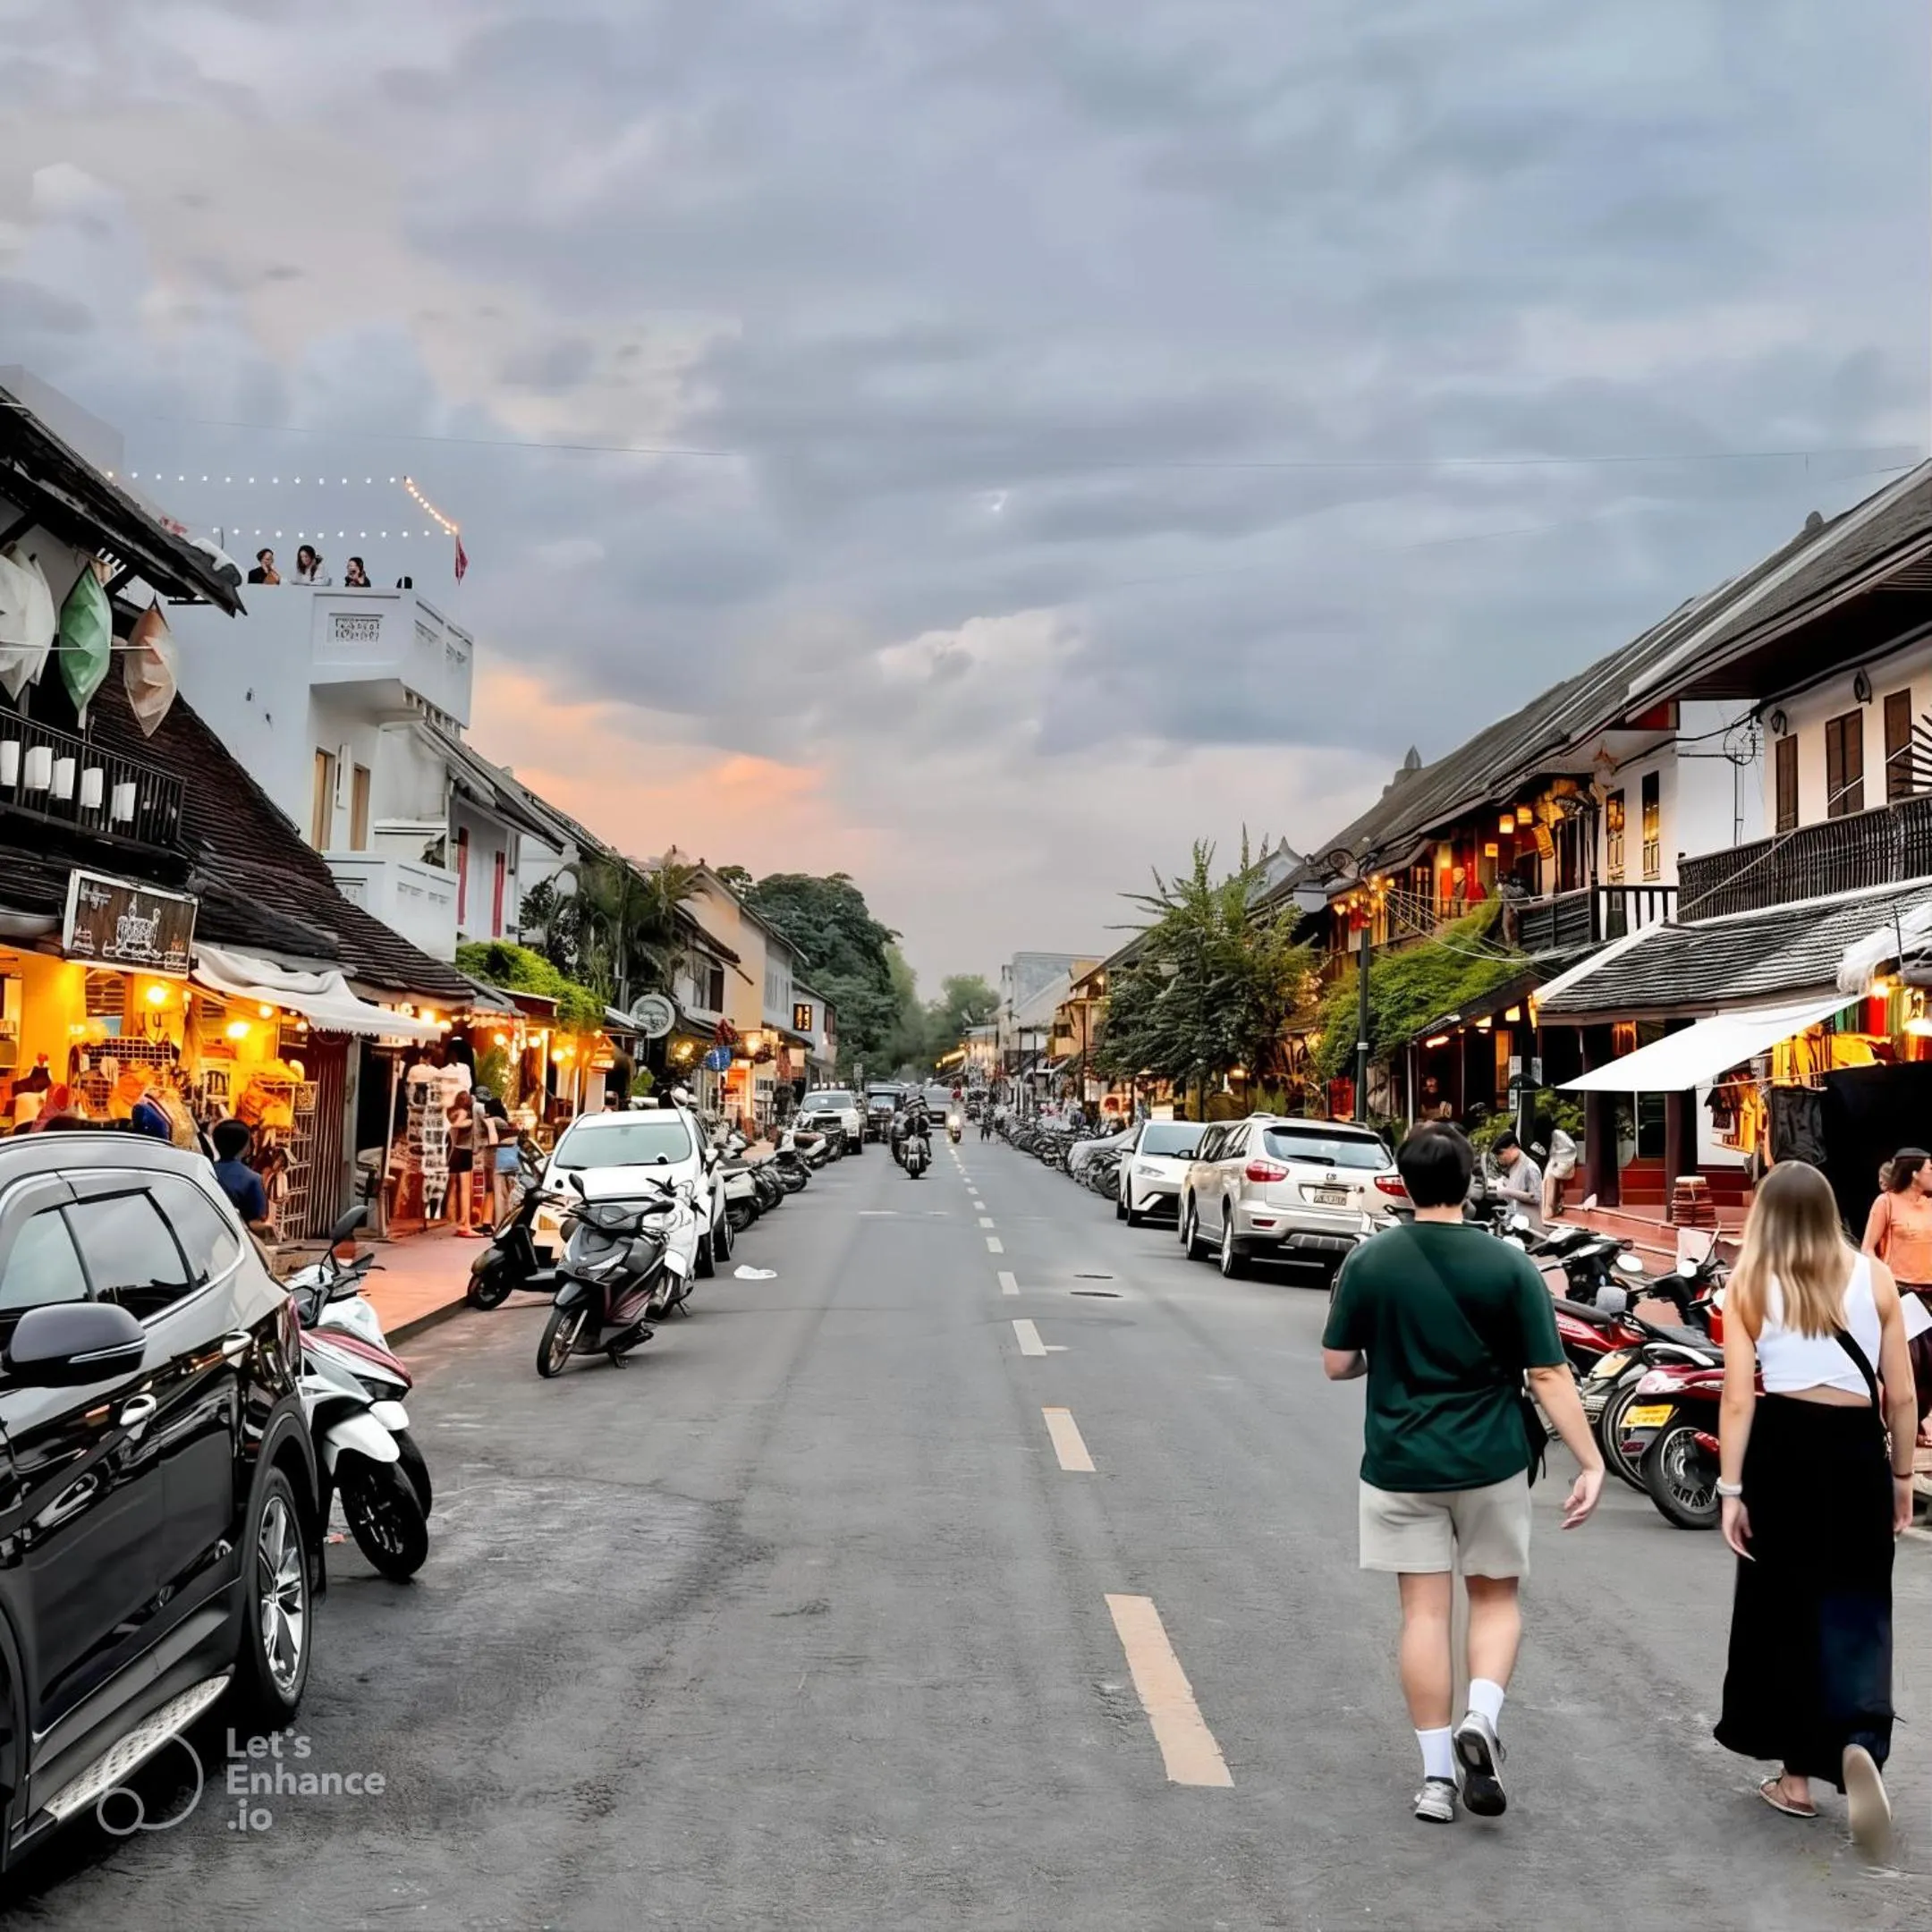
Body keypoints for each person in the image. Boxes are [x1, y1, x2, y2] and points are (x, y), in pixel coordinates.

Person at [1322, 1123, 1602, 1825]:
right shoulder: (1510, 1265)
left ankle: (1437, 1780)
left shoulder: (1371, 1261)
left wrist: (1377, 1357)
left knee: (1422, 1612)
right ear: (1471, 1180)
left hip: (1399, 1461)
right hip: (1491, 1459)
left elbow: (1337, 1361)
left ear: (1404, 1183)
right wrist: (1591, 1460)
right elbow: (1547, 1372)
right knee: (1497, 1601)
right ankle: (1481, 1714)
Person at [1716, 1159, 1917, 1852]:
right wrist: (1899, 1478)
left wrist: (1731, 1491)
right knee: (1858, 1601)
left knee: (1786, 1607)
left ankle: (1796, 1778)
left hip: (1782, 1451)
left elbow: (1739, 1398)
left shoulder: (1749, 1282)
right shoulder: (1877, 1276)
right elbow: (1904, 1395)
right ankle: (1858, 1738)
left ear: (1767, 1214)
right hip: (1858, 1450)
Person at [1861, 1147, 1932, 1445]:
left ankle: (1916, 1421)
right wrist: (1885, 1282)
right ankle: (1905, 1427)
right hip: (1903, 1292)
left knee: (1931, 1365)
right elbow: (1867, 1249)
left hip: (1931, 1292)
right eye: (1930, 1169)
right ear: (1914, 1173)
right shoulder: (1886, 1203)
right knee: (1908, 1365)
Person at [210, 1119, 272, 1235]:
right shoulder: (252, 1179)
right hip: (233, 1242)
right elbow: (255, 1223)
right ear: (245, 1146)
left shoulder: (204, 1170)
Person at [1492, 1131, 1545, 1234]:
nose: (1499, 1159)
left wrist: (1507, 1191)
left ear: (1513, 1147)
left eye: (1501, 1153)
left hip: (1531, 1225)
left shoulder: (1530, 1168)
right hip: (1517, 1220)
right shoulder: (1514, 1166)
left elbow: (1536, 1197)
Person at [447, 1085, 478, 1235]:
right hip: (463, 1151)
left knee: (456, 1188)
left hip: (455, 1151)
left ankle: (461, 1220)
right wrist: (469, 1123)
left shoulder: (454, 1112)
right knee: (465, 1189)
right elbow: (456, 1124)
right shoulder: (464, 1113)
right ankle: (466, 1224)